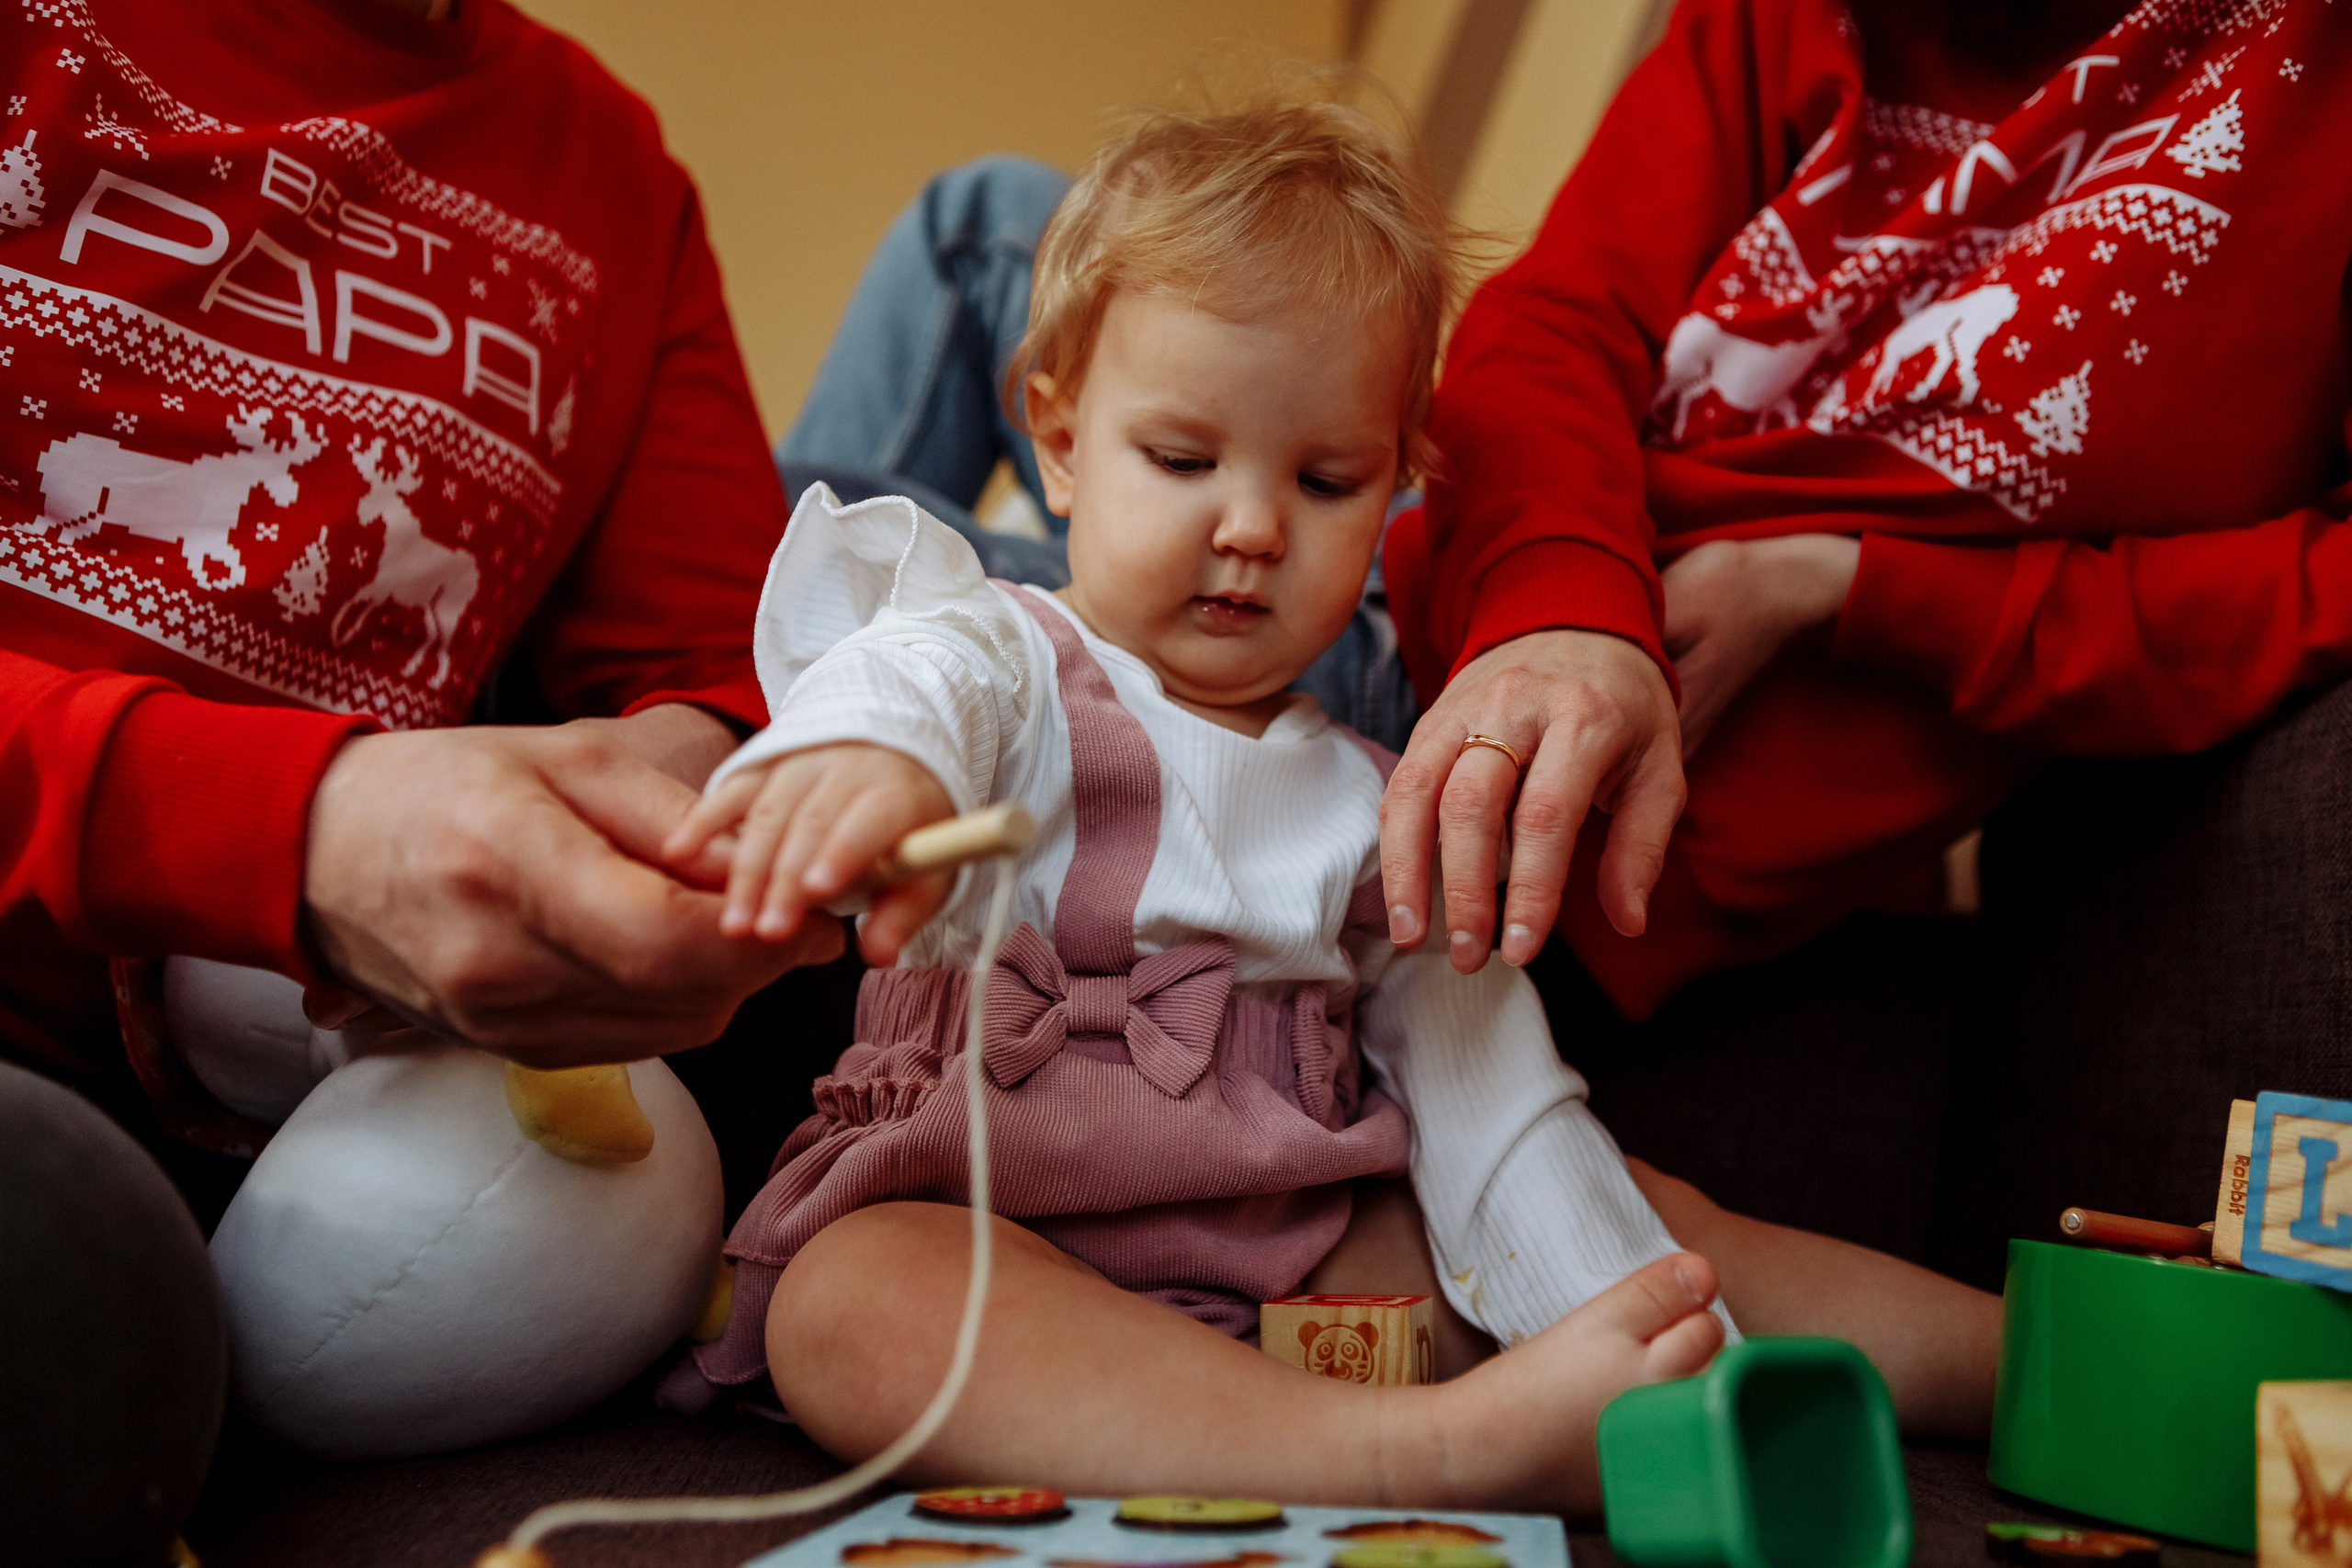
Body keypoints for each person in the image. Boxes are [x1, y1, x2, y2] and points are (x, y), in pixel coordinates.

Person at [662, 93, 1997, 1515]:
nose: (1250, 524)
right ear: (1056, 439)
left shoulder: (1392, 799)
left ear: (1396, 491)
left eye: (1324, 478)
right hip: (999, 1237)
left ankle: (2014, 1352)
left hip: (1298, 1257)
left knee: (1633, 1214)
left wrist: (1647, 1342)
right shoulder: (1002, 654)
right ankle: (1430, 1451)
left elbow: (1497, 1108)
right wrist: (873, 765)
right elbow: (909, 684)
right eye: (1182, 460)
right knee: (852, 1298)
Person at [1379, 0, 2352, 1013]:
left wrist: (1858, 589)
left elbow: (2319, 589)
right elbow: (1554, 325)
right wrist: (1563, 607)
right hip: (1400, 654)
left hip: (1604, 919)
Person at [0, 0, 834, 1156]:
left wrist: (675, 791)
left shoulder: (613, 168)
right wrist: (307, 832)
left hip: (337, 1104)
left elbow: (737, 661)